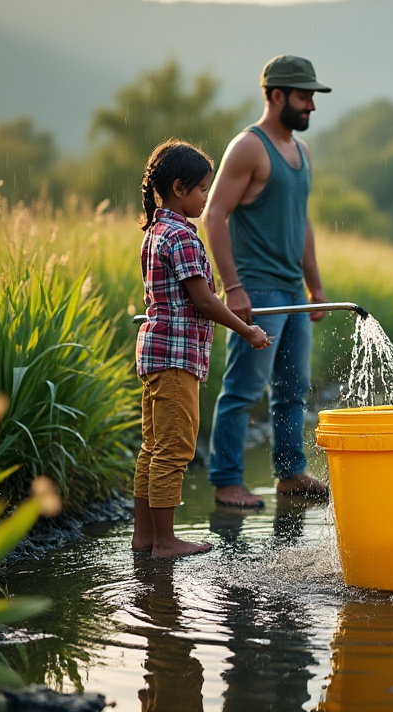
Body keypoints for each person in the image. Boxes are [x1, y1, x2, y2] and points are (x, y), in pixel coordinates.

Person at [201, 54, 332, 509]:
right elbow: (214, 214)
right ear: (276, 95)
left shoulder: (303, 153)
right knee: (243, 389)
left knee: (294, 387)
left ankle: (291, 474)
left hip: (293, 291)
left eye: (313, 97)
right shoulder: (249, 147)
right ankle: (225, 482)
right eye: (303, 96)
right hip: (257, 289)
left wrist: (315, 287)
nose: (311, 106)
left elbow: (303, 224)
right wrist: (232, 287)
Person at [133, 139, 270, 557]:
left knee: (152, 448)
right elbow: (205, 301)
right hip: (176, 358)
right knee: (175, 450)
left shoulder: (155, 232)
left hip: (155, 354)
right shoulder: (183, 237)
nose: (206, 198)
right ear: (178, 187)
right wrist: (246, 331)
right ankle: (165, 541)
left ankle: (145, 537)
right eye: (201, 190)